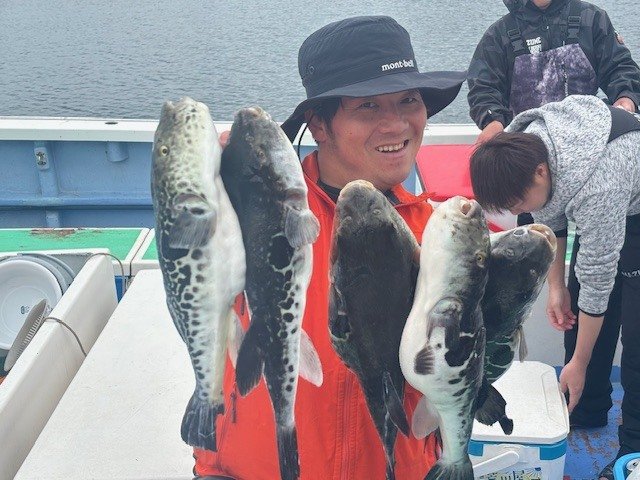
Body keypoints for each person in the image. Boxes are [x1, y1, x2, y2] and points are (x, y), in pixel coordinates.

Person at [192, 16, 466, 480]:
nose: (396, 123)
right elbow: (189, 247)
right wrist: (212, 183)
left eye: (408, 100)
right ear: (318, 124)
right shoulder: (253, 209)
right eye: (368, 107)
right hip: (247, 470)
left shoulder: (438, 232)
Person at [468, 94, 640, 480]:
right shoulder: (530, 143)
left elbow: (598, 280)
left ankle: (633, 449)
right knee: (578, 310)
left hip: (632, 201)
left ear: (542, 171)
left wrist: (577, 363)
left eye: (517, 202)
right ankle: (586, 409)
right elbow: (548, 215)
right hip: (597, 191)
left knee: (636, 340)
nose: (516, 212)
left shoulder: (599, 188)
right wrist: (557, 286)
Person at [468, 0, 640, 145]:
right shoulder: (498, 35)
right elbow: (484, 88)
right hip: (526, 145)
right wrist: (493, 121)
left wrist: (625, 98)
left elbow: (619, 68)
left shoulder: (593, 18)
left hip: (587, 136)